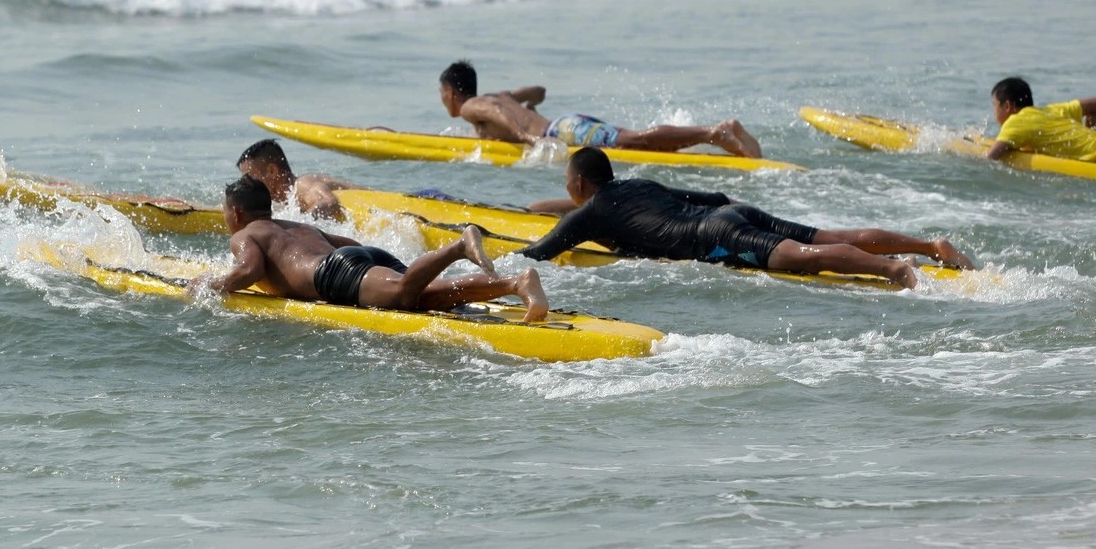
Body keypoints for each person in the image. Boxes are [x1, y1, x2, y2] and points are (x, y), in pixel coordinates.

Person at [517, 148, 972, 288]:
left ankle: (896, 269)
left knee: (803, 257)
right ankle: (929, 246)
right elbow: (712, 193)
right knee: (830, 234)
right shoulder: (640, 185)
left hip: (714, 233)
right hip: (730, 212)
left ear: (578, 185)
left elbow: (541, 252)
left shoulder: (589, 214)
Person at [196, 176, 548, 322]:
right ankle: (515, 284)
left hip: (332, 274)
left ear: (236, 211)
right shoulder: (294, 226)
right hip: (355, 258)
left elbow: (248, 271)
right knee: (419, 297)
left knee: (403, 292)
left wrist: (209, 286)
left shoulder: (245, 234)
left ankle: (460, 245)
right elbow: (348, 245)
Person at [436, 59, 763, 159]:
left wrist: (528, 136)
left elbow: (498, 116)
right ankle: (709, 137)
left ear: (451, 92)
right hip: (566, 123)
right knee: (635, 142)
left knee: (632, 139)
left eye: (441, 93)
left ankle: (713, 132)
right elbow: (539, 90)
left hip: (558, 132)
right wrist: (529, 105)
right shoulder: (499, 94)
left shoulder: (471, 107)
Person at [236, 138, 357, 218]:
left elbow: (329, 202)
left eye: (250, 178)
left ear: (272, 171)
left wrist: (294, 228)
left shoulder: (302, 184)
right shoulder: (282, 199)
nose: (248, 185)